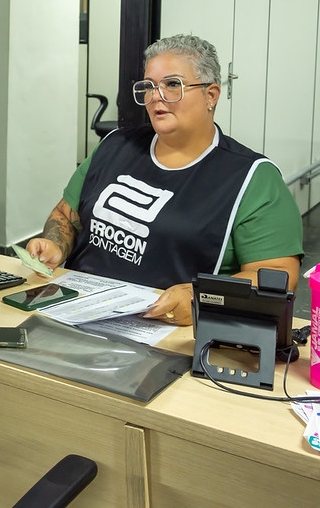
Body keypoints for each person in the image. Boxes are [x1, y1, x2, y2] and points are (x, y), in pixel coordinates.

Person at [26, 34, 303, 326]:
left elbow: (277, 278)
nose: (156, 96)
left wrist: (200, 296)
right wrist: (55, 245)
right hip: (74, 313)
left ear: (211, 95)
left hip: (168, 332)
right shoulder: (114, 145)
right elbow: (66, 217)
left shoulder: (252, 178)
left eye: (172, 85)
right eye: (148, 87)